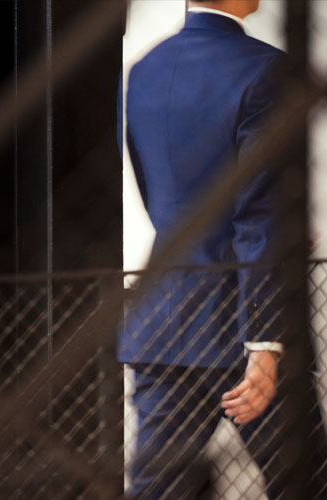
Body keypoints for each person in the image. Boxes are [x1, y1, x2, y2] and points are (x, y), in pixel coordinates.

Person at [121, 1, 327, 498]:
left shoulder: (145, 68)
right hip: (241, 319)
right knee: (307, 483)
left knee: (157, 489)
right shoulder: (268, 69)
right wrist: (265, 344)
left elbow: (161, 196)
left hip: (164, 320)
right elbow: (258, 214)